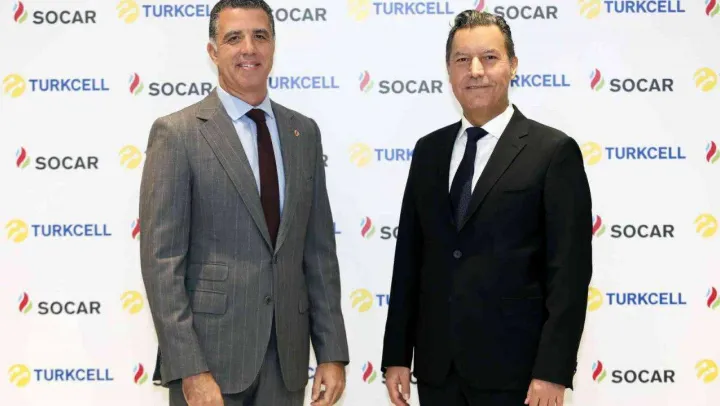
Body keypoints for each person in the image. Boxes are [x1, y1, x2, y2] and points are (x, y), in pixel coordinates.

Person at [138, 1, 349, 405]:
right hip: (210, 363)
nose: (249, 48)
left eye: (260, 36)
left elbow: (318, 251)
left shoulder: (304, 133)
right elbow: (162, 263)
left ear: (273, 46)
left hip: (286, 363)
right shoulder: (177, 134)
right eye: (234, 38)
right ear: (213, 51)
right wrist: (189, 368)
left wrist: (331, 352)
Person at [380, 10, 593, 406]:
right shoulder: (429, 151)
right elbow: (409, 259)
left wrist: (552, 370)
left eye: (489, 58)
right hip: (438, 371)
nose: (475, 70)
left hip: (518, 376)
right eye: (462, 59)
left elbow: (569, 273)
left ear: (513, 65)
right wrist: (396, 355)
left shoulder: (553, 152)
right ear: (449, 70)